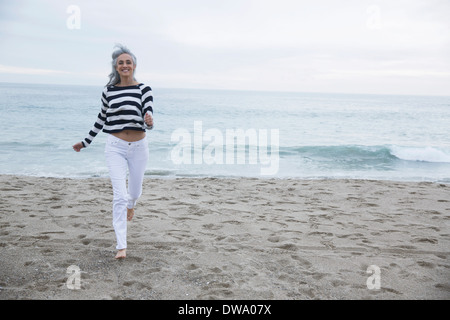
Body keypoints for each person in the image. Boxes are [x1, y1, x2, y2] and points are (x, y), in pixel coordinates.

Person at [73, 44, 154, 259]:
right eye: (121, 63)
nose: (125, 65)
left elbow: (148, 112)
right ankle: (121, 246)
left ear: (134, 66)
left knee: (134, 193)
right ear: (116, 67)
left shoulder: (143, 89)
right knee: (119, 196)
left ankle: (132, 205)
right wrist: (85, 142)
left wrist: (149, 120)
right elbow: (101, 118)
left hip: (139, 147)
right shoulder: (108, 91)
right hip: (115, 147)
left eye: (128, 62)